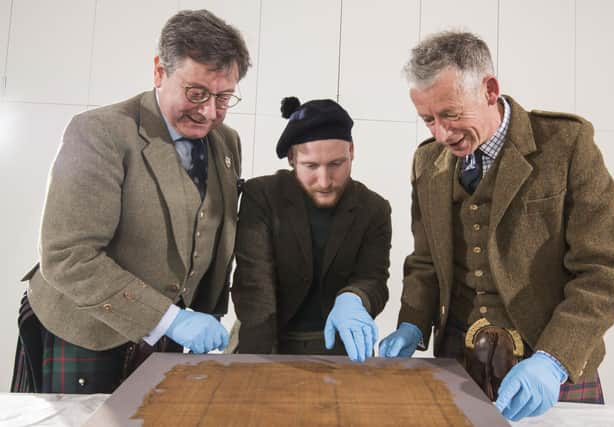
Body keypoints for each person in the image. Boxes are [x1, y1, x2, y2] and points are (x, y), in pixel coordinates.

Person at [379, 31, 614, 421]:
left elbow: (604, 270)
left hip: (553, 366)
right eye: (427, 119)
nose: (441, 133)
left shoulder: (566, 145)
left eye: (450, 114)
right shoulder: (427, 162)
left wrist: (554, 359)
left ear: (490, 90)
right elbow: (426, 262)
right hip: (456, 365)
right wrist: (412, 323)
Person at [11, 9, 251, 394]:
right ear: (159, 71)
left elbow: (214, 229)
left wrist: (205, 312)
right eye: (196, 93)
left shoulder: (227, 142)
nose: (209, 112)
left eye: (223, 97)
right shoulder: (101, 133)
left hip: (165, 332)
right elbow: (68, 256)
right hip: (86, 329)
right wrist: (171, 319)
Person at [231, 97, 391, 362]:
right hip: (264, 337)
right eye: (311, 166)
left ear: (351, 150)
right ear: (292, 158)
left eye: (336, 164)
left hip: (339, 346)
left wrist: (355, 298)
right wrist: (257, 365)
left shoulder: (374, 208)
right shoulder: (261, 196)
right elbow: (254, 286)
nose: (325, 181)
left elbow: (374, 279)